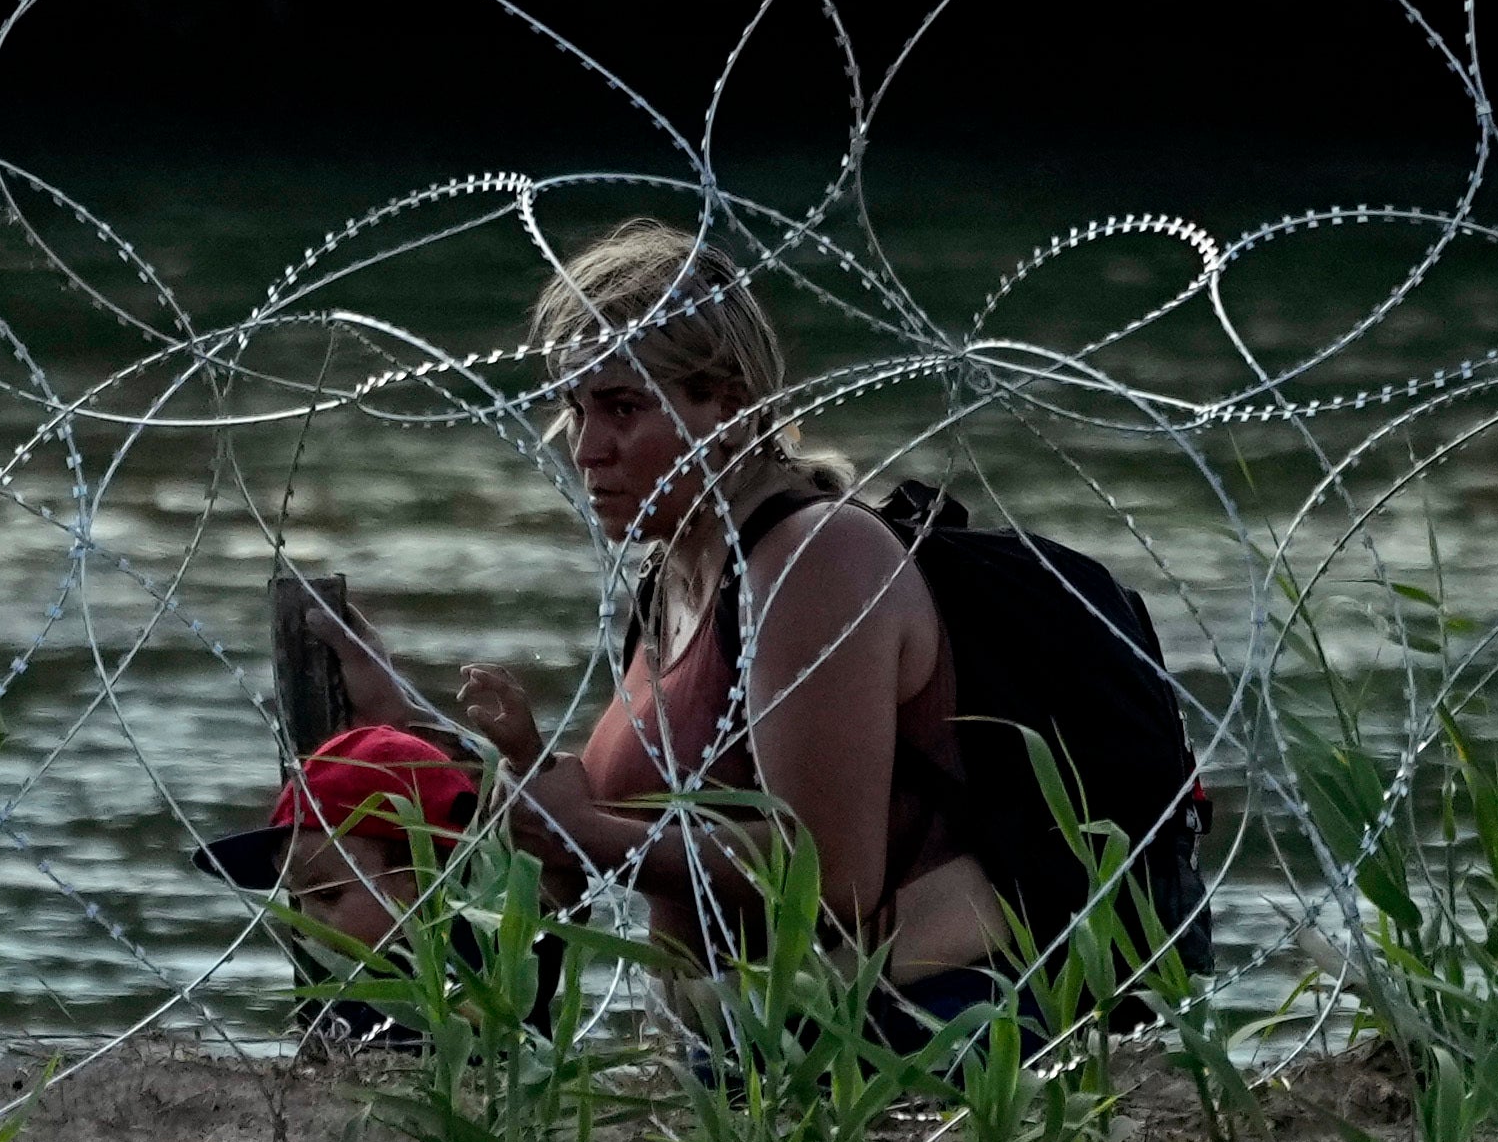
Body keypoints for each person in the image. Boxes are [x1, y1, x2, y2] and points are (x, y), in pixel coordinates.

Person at [300, 219, 1024, 1036]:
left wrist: (588, 830)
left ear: (731, 402)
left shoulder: (814, 558)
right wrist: (406, 723)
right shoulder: (674, 571)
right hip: (737, 1046)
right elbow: (628, 822)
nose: (586, 449)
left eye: (621, 407)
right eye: (575, 409)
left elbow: (827, 875)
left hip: (909, 1032)